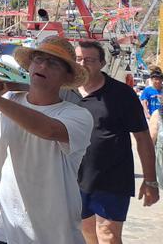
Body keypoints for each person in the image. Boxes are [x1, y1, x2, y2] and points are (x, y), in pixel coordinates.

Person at [0, 36, 94, 243]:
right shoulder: (3, 102)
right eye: (38, 59)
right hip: (0, 231)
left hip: (52, 236)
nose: (42, 65)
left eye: (52, 63)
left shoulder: (77, 115)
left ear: (66, 77)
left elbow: (46, 129)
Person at [63, 41, 159, 244]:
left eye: (89, 60)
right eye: (79, 59)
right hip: (74, 177)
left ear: (102, 63)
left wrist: (150, 180)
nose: (83, 64)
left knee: (108, 235)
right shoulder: (65, 92)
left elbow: (142, 138)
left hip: (112, 178)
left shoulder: (122, 94)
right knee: (86, 233)